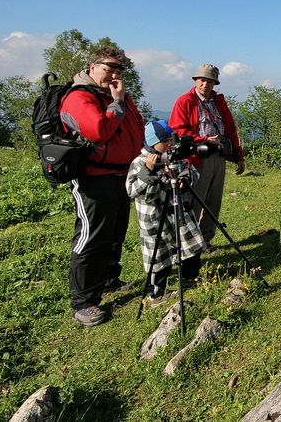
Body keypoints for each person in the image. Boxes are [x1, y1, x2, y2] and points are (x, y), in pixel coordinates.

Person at [60, 44, 144, 326]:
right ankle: (83, 302)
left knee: (115, 231)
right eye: (109, 68)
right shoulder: (79, 96)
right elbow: (98, 132)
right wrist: (117, 102)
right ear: (93, 67)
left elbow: (136, 129)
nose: (114, 74)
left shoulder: (116, 96)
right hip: (93, 178)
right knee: (92, 236)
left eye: (120, 69)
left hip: (122, 174)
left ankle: (109, 280)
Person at [126, 120, 206, 303]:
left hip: (179, 212)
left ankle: (190, 278)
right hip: (154, 218)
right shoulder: (140, 162)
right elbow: (131, 190)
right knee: (158, 255)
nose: (170, 143)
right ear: (153, 142)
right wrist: (148, 173)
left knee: (190, 245)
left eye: (171, 138)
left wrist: (186, 179)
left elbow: (192, 172)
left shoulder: (174, 156)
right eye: (166, 140)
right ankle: (156, 293)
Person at [169, 64, 246, 245]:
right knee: (195, 200)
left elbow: (230, 129)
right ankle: (189, 242)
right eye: (202, 80)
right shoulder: (185, 101)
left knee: (213, 200)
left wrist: (238, 155)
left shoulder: (218, 101)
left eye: (210, 82)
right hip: (196, 158)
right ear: (196, 80)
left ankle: (206, 240)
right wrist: (202, 139)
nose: (206, 85)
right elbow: (177, 130)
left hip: (219, 156)